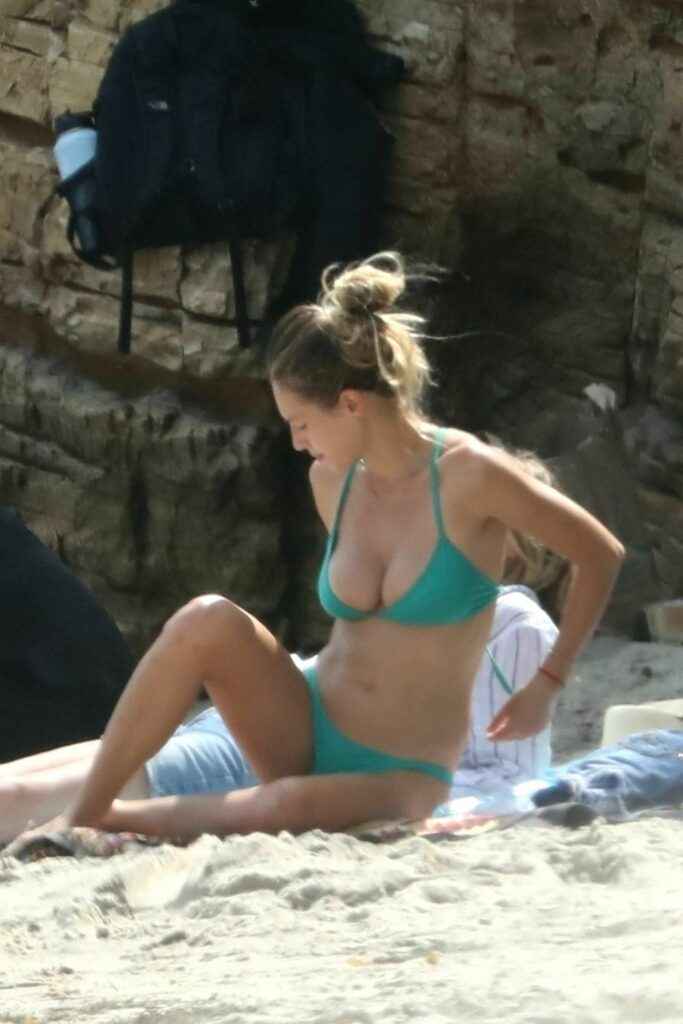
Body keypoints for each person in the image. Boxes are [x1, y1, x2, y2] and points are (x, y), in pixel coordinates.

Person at [24, 251, 623, 840]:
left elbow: (600, 554)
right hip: (306, 724)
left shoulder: (471, 475)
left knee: (285, 803)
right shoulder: (333, 481)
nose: (295, 442)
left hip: (400, 773)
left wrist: (548, 682)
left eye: (302, 423)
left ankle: (107, 821)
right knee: (205, 619)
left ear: (352, 404)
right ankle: (88, 812)